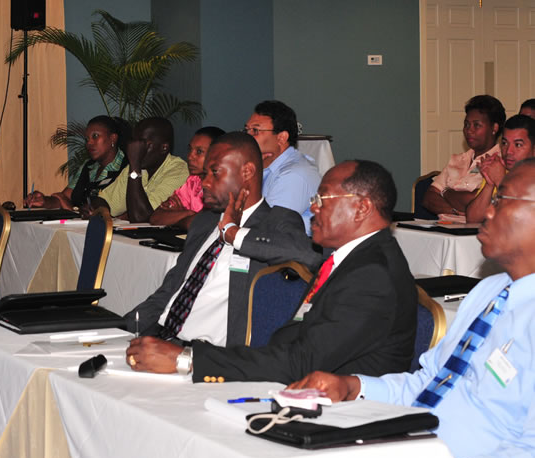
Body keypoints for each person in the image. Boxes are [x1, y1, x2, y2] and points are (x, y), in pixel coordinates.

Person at [288, 161, 535, 458]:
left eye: (501, 200)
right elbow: (431, 383)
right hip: (423, 449)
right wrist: (353, 386)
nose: (485, 210)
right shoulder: (489, 292)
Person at [127, 160, 417, 384]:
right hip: (304, 387)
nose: (312, 208)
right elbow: (294, 343)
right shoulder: (348, 258)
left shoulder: (372, 274)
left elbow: (301, 362)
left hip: (346, 415)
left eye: (321, 200)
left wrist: (188, 359)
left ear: (361, 208)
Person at [124, 132, 321, 351]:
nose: (205, 182)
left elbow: (310, 257)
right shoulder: (205, 222)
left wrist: (234, 233)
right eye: (205, 173)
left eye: (215, 173)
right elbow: (169, 291)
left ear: (247, 172)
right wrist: (122, 330)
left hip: (205, 354)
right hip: (159, 336)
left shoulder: (277, 222)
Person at [243, 100, 321, 234]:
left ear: (281, 138)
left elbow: (263, 229)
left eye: (255, 130)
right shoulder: (262, 166)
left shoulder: (294, 174)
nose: (247, 136)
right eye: (246, 130)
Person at [90, 117, 189, 222]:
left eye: (142, 145)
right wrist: (97, 211)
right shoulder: (136, 167)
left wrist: (135, 166)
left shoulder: (179, 172)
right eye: (134, 143)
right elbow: (103, 200)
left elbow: (141, 217)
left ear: (163, 148)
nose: (136, 150)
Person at [423, 95, 506, 217]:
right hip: (444, 227)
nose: (469, 130)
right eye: (466, 124)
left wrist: (445, 192)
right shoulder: (457, 160)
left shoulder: (500, 161)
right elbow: (428, 198)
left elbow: (476, 201)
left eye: (476, 125)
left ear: (494, 128)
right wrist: (454, 211)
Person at [24, 115, 128, 210]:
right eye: (87, 139)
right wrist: (45, 201)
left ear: (113, 138)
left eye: (95, 136)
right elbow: (63, 198)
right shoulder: (88, 166)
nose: (89, 143)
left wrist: (71, 212)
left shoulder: (127, 168)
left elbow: (118, 215)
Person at [149, 126, 225, 230]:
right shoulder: (193, 182)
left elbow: (204, 224)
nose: (190, 157)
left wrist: (181, 217)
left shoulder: (224, 186)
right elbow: (155, 217)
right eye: (190, 149)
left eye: (199, 152)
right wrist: (188, 213)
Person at [465, 114, 535, 222]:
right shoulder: (500, 170)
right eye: (504, 143)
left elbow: (521, 222)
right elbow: (472, 219)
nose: (508, 151)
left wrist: (501, 181)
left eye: (518, 145)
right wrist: (489, 183)